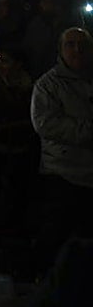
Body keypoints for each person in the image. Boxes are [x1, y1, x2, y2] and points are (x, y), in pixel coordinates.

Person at [29, 26, 93, 275]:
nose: (77, 50)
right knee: (56, 231)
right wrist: (87, 131)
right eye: (70, 45)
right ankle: (40, 275)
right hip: (64, 170)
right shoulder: (48, 85)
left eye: (82, 45)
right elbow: (46, 124)